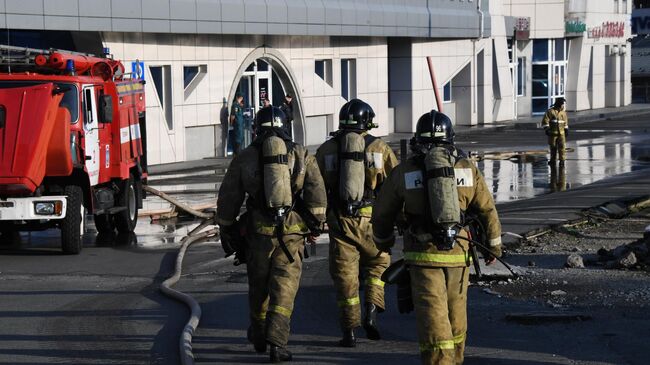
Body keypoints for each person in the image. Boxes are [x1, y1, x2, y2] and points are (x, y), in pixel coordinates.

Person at [371, 110, 502, 365]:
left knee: (434, 316)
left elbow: (382, 212)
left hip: (423, 257)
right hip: (459, 253)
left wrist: (383, 242)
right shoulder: (466, 168)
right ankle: (456, 359)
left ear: (417, 139)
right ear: (450, 138)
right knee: (456, 314)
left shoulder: (406, 171)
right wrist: (494, 248)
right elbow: (487, 209)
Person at [216, 106, 327, 363]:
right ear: (285, 125)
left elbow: (229, 196)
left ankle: (258, 334)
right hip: (291, 235)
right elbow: (317, 193)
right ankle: (277, 343)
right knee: (284, 289)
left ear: (256, 128)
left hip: (257, 236)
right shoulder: (300, 154)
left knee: (258, 287)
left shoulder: (245, 157)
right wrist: (315, 225)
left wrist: (227, 226)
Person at [315, 99, 398, 347]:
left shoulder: (327, 150)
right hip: (372, 221)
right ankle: (371, 310)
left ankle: (349, 332)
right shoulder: (380, 149)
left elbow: (315, 188)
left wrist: (316, 220)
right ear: (368, 122)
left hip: (341, 223)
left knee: (346, 278)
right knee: (377, 265)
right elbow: (396, 186)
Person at [541, 97, 569, 166]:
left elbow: (565, 122)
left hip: (561, 134)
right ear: (559, 104)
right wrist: (546, 129)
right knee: (553, 148)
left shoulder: (563, 113)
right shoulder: (550, 112)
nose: (563, 105)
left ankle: (562, 160)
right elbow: (545, 121)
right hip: (552, 134)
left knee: (562, 148)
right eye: (562, 104)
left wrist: (566, 129)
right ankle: (553, 160)